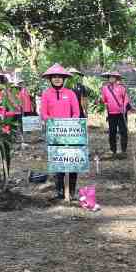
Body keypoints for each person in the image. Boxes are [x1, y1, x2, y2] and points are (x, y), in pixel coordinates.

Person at [40, 64, 82, 202]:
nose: (57, 79)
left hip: (70, 133)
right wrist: (53, 123)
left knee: (72, 161)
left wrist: (69, 124)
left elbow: (76, 112)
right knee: (58, 162)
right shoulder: (46, 94)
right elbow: (44, 113)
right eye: (54, 77)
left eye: (60, 77)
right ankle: (59, 191)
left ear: (64, 79)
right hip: (54, 133)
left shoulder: (70, 93)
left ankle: (71, 192)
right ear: (50, 79)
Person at [100, 71, 131, 156]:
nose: (111, 78)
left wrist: (124, 108)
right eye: (110, 77)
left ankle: (123, 150)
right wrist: (101, 100)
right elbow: (104, 100)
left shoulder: (122, 88)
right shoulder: (104, 88)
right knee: (112, 132)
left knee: (123, 131)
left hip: (121, 113)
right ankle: (113, 150)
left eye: (113, 77)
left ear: (116, 78)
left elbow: (126, 99)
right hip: (111, 114)